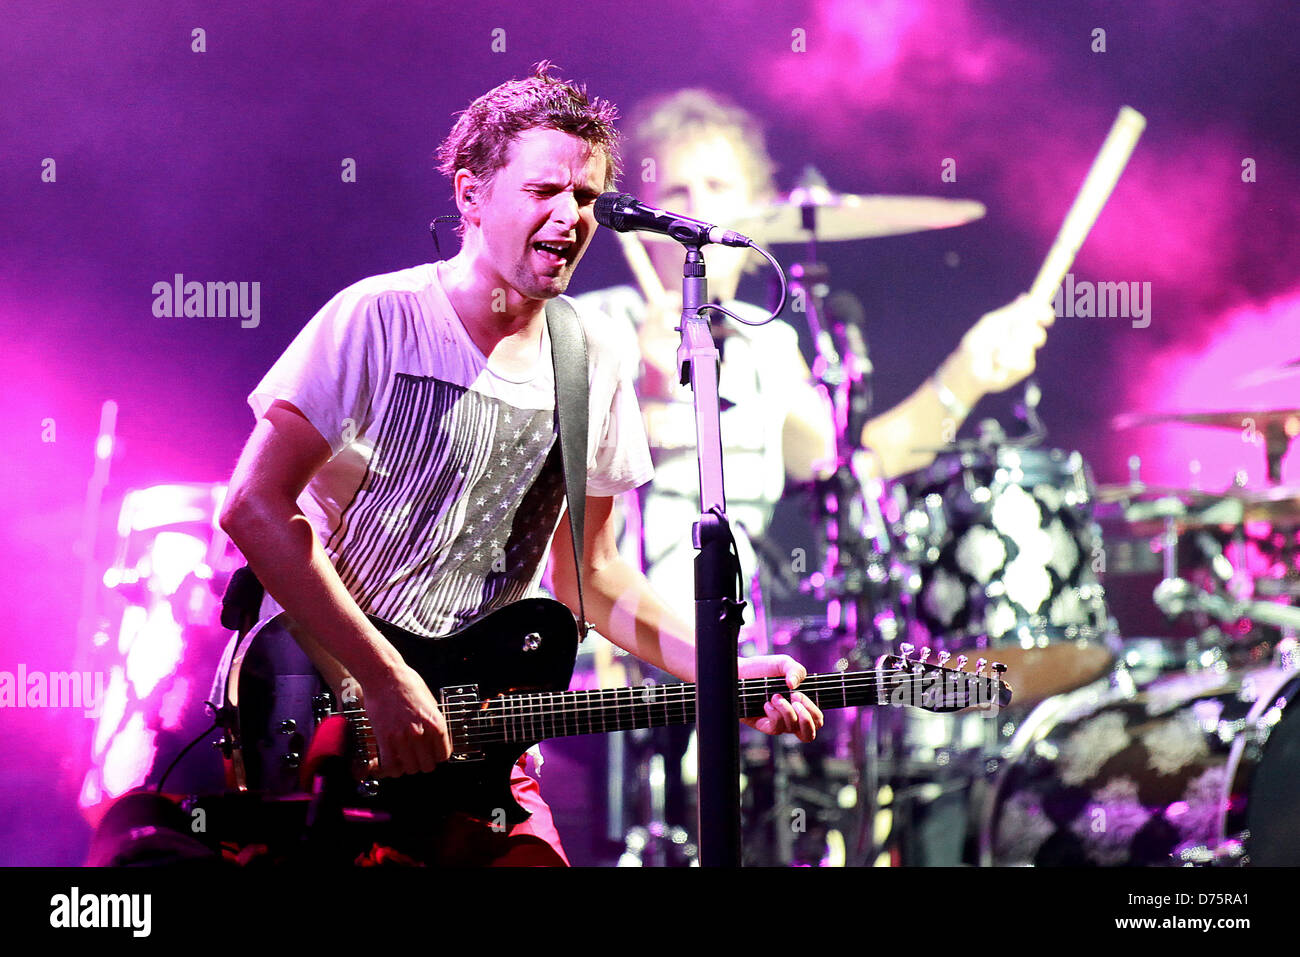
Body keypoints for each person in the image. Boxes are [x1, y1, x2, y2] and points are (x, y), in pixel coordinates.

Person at [215, 65, 823, 867]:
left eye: (587, 198)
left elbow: (594, 575)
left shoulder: (589, 358)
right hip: (326, 703)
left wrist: (724, 672)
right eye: (544, 192)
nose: (570, 217)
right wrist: (387, 680)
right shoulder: (378, 319)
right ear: (470, 197)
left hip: (474, 729)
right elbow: (253, 507)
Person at [577, 89, 1053, 624]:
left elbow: (849, 469)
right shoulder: (593, 326)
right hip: (604, 652)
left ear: (757, 209)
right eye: (676, 191)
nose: (698, 208)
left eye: (717, 186)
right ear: (641, 220)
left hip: (729, 644)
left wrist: (965, 375)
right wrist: (650, 395)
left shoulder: (766, 344)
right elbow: (543, 482)